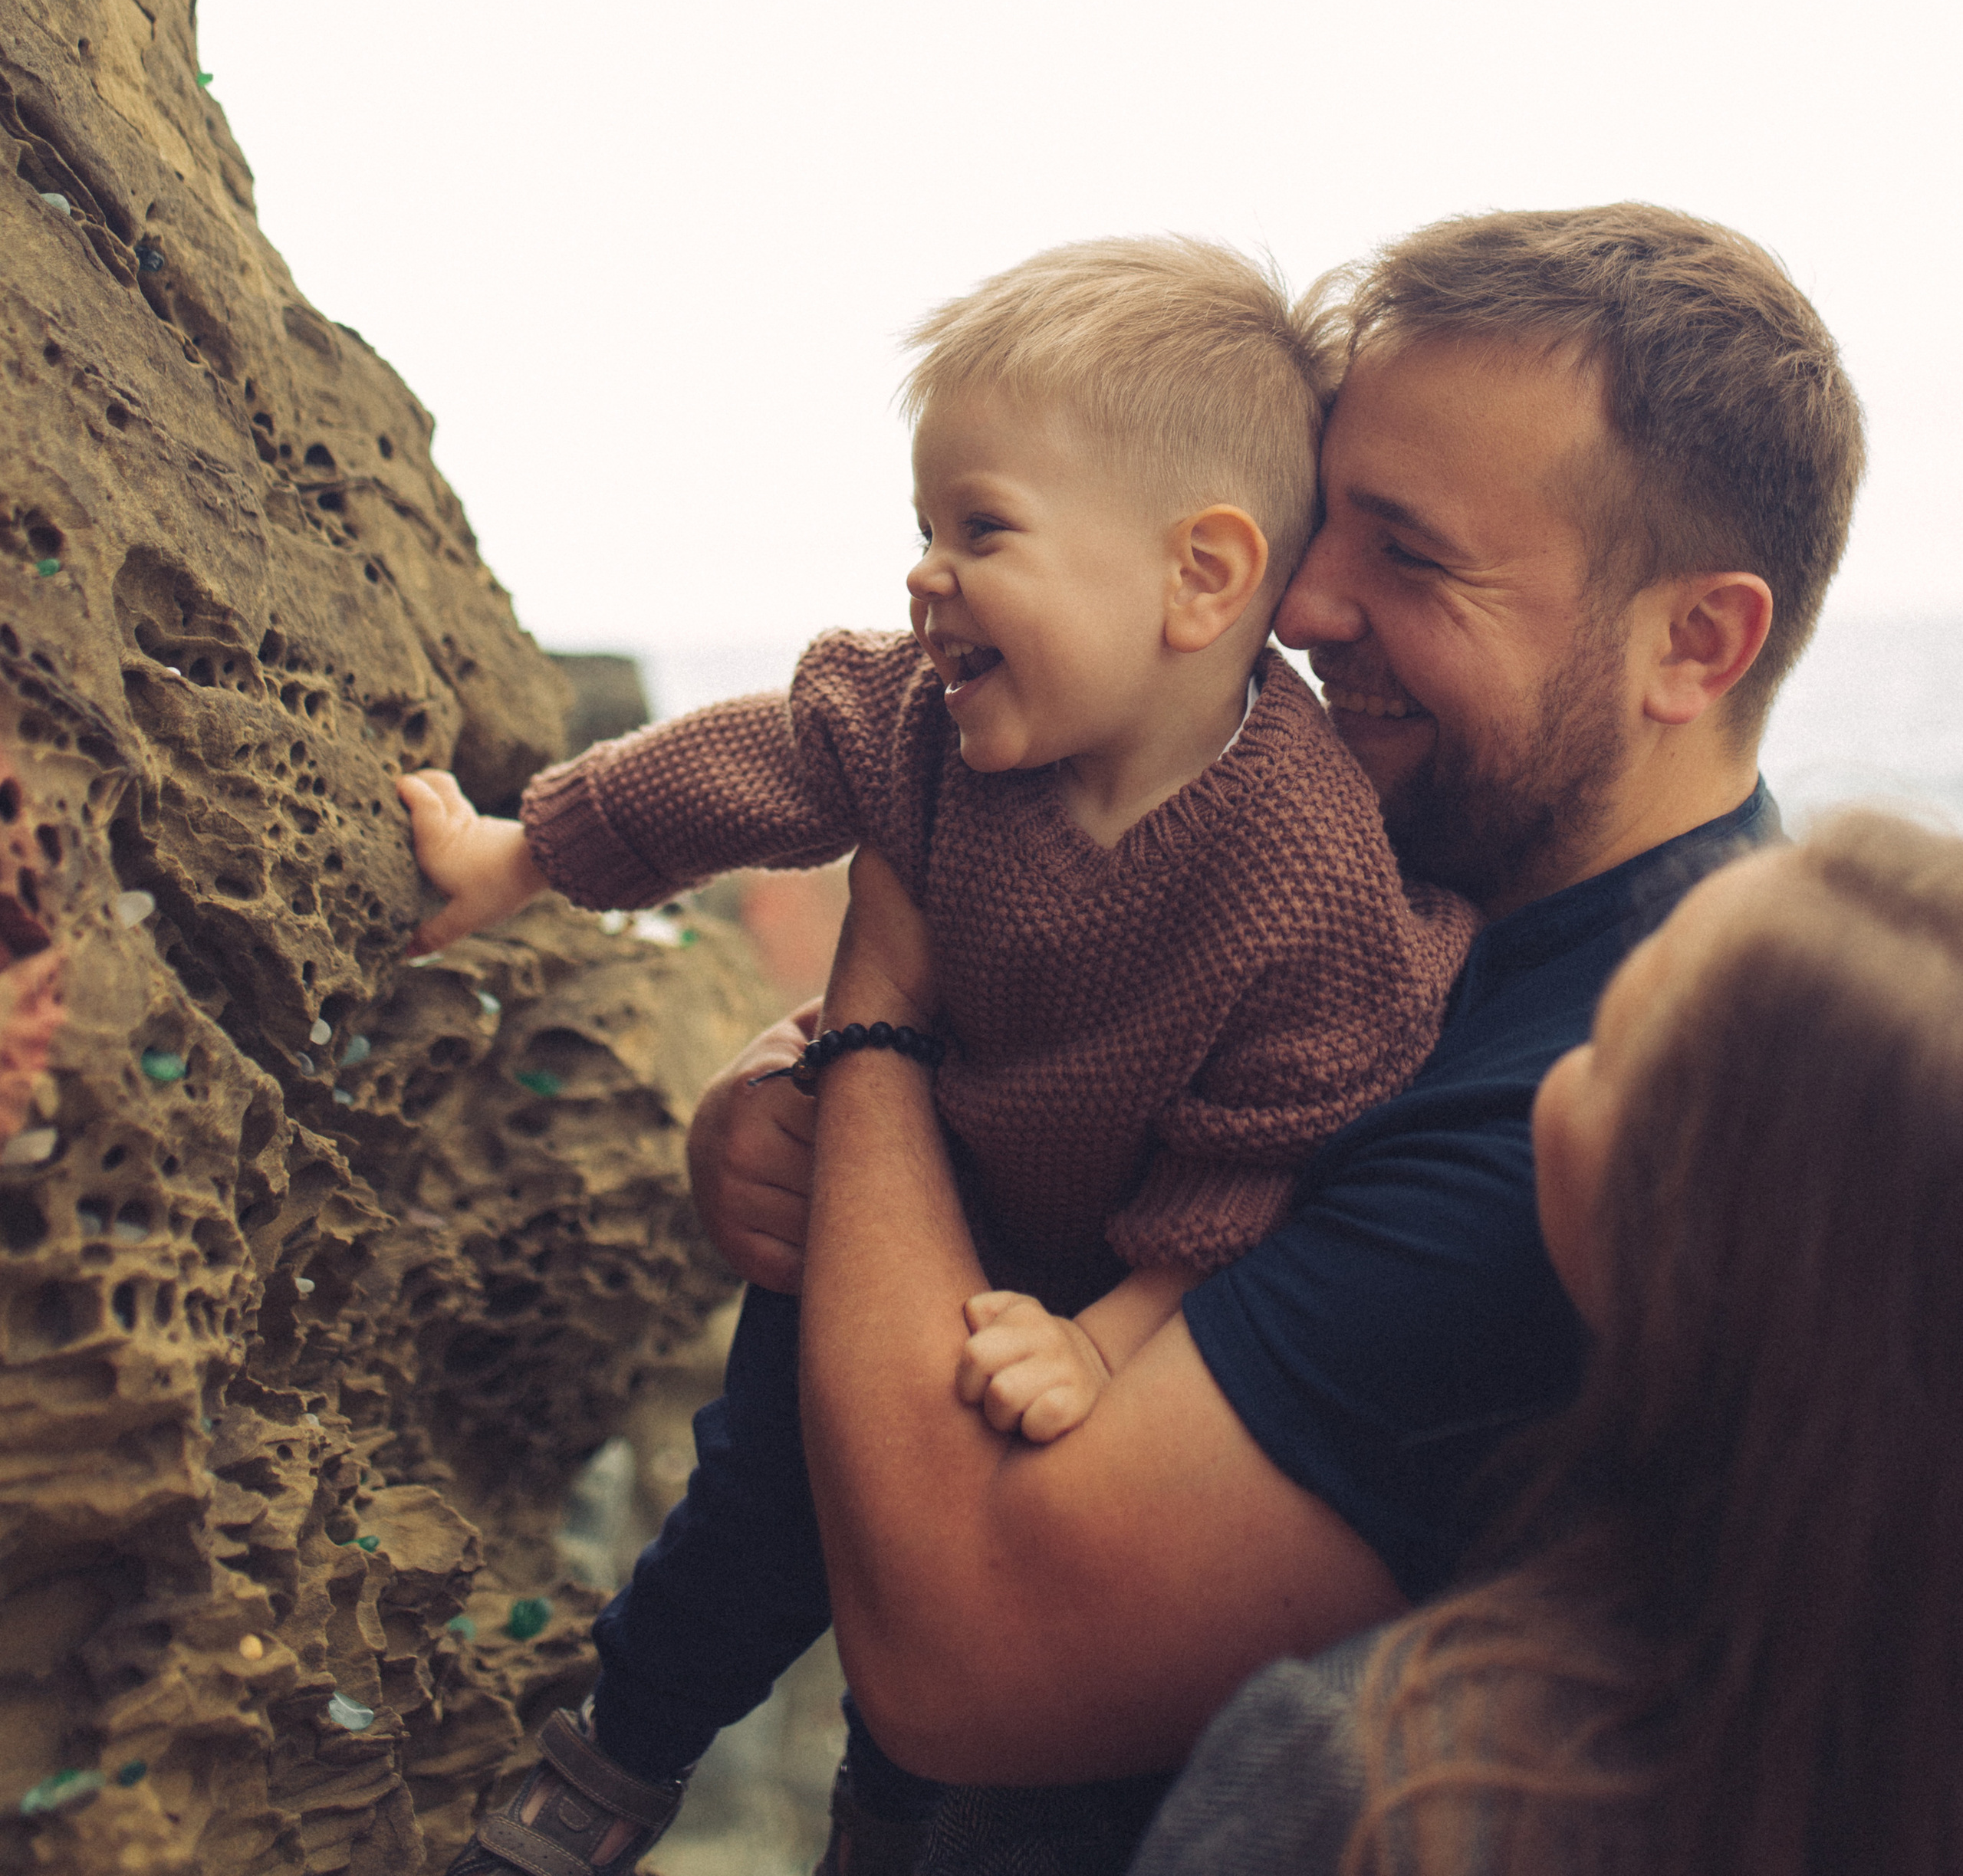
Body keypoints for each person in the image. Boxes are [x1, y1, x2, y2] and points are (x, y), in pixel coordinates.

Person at [683, 202, 1866, 1872]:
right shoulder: (1394, 864)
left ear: (1694, 643)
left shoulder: (1597, 1120)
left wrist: (881, 1016)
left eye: (1411, 552)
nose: (1300, 599)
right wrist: (810, 1105)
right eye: (1323, 515)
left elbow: (971, 1657)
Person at [400, 237, 1473, 1875]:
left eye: (982, 529)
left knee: (929, 1642)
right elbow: (738, 767)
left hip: (1098, 1274)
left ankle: (891, 1814)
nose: (924, 574)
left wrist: (1113, 1339)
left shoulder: (1304, 865)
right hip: (898, 1209)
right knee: (755, 1501)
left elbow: (1266, 1148)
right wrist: (524, 854)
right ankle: (615, 1760)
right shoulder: (920, 723)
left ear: (1197, 578)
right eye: (922, 526)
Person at [1128, 807, 1963, 1876]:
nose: (1563, 1055)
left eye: (1608, 1044)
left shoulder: (1369, 1780)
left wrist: (890, 1013)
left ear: (1680, 1251)